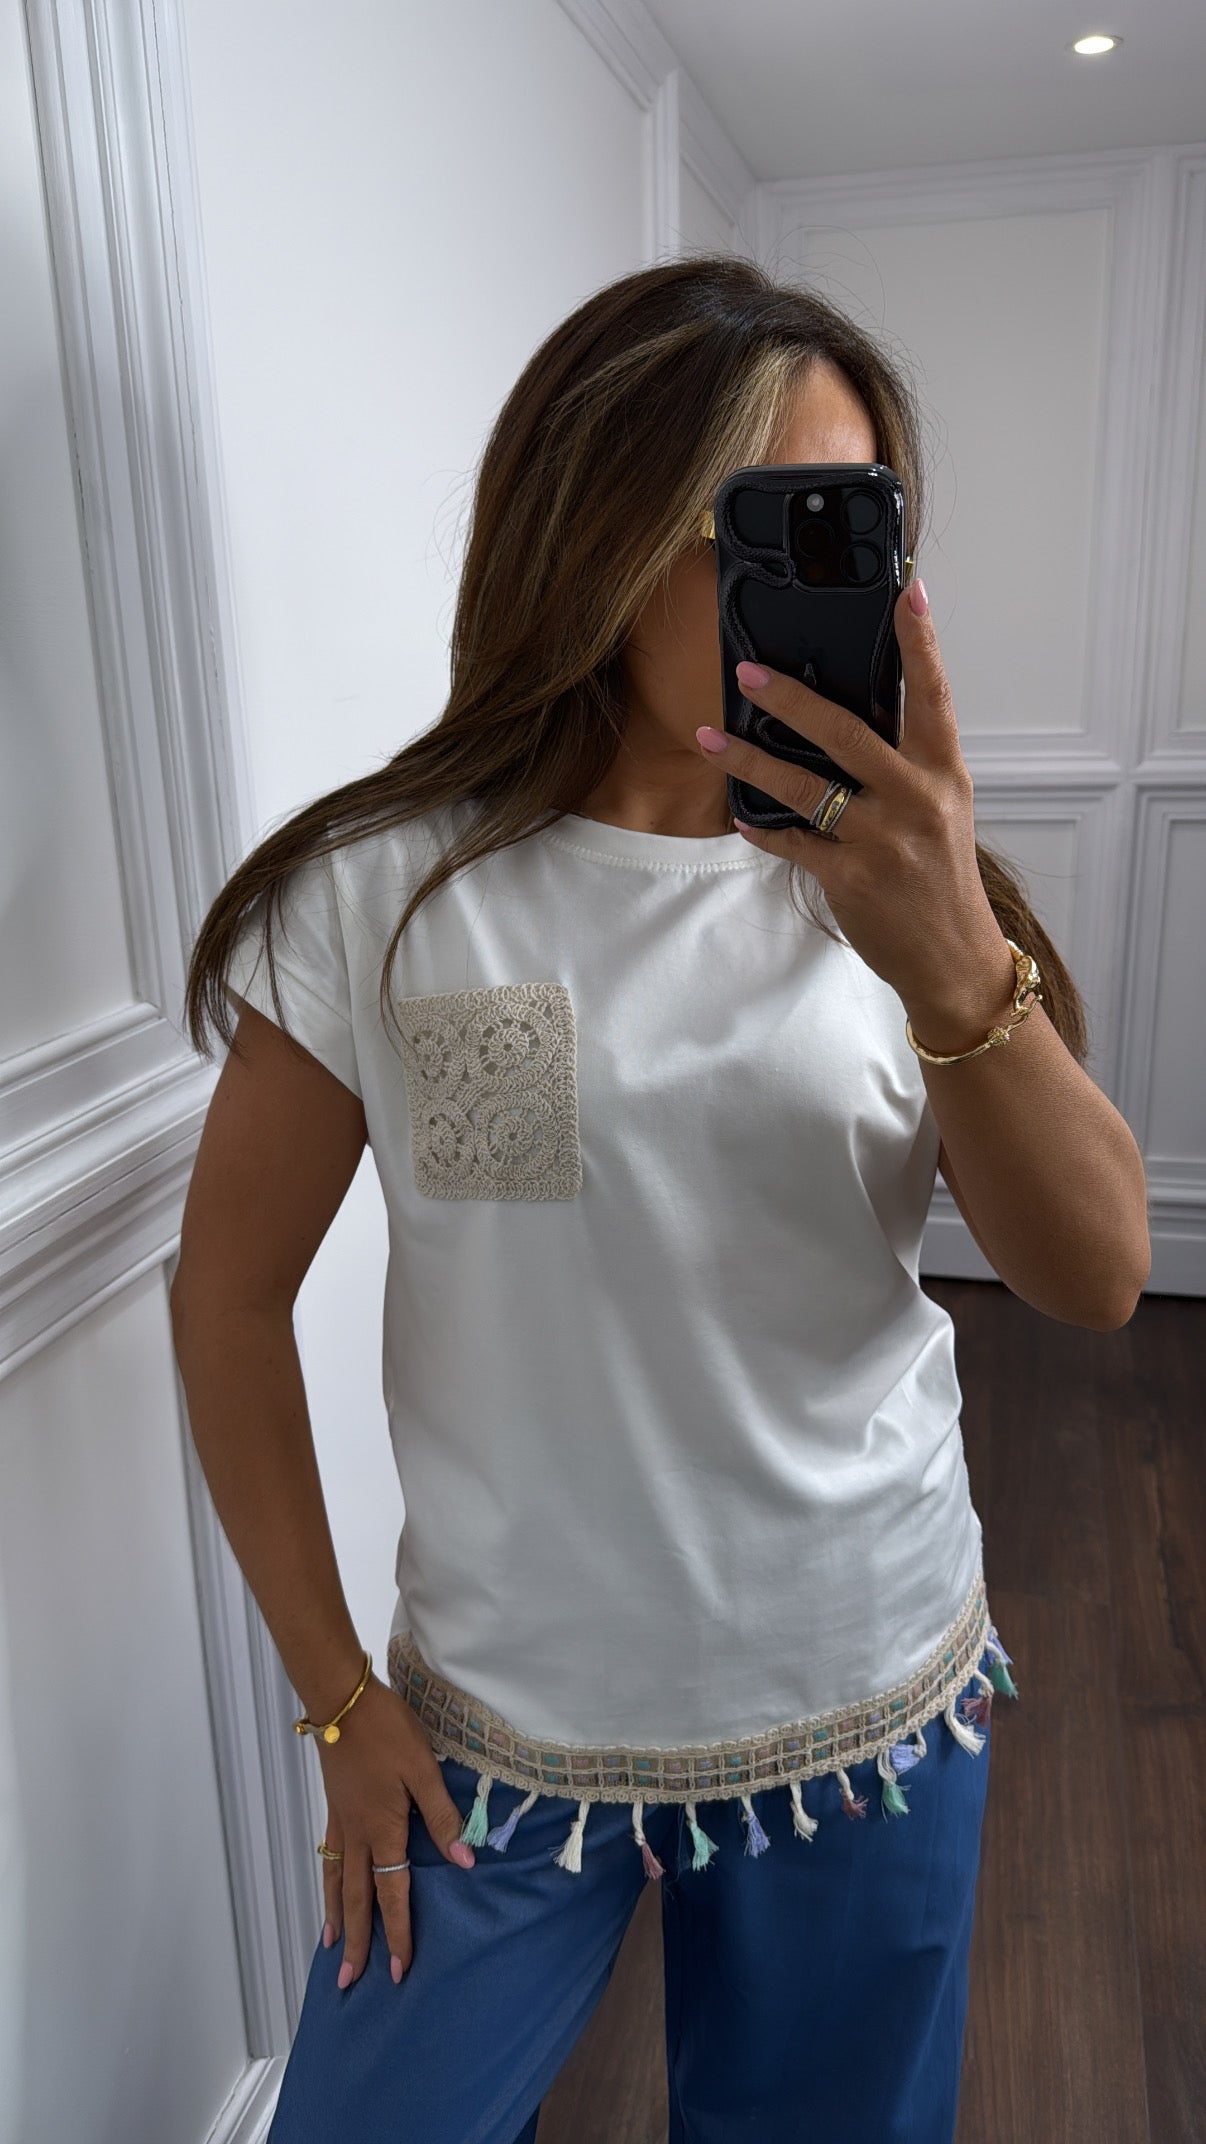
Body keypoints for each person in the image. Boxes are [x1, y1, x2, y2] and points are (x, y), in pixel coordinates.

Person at [175, 253, 1120, 2144]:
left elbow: (1095, 1276)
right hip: (494, 1736)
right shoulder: (386, 892)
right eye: (773, 528)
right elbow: (227, 1295)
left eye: (860, 528)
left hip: (860, 1697)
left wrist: (951, 954)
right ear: (598, 531)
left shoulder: (909, 886)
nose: (830, 585)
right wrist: (337, 1700)